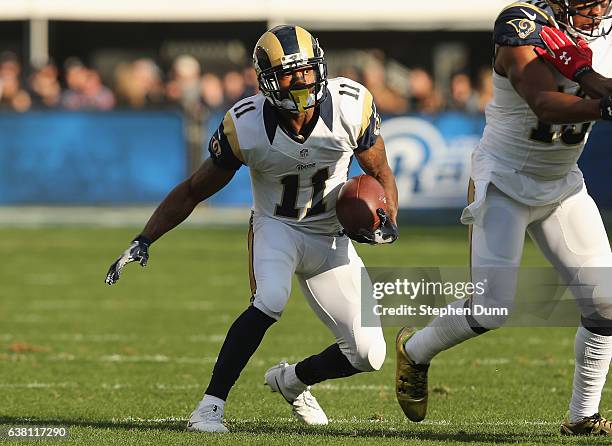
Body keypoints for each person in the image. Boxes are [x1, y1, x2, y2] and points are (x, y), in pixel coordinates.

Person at [105, 25, 398, 433]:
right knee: (270, 300)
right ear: (266, 81)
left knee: (369, 354)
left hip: (332, 236)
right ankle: (209, 408)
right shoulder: (245, 126)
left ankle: (292, 380)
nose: (300, 81)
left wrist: (387, 219)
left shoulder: (352, 106)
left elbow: (380, 172)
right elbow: (193, 190)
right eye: (288, 74)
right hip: (278, 227)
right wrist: (145, 237)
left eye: (306, 71)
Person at [395, 0, 612, 436]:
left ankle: (582, 415)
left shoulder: (603, 36)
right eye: (591, 1)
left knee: (607, 302)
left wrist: (597, 85)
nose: (600, 9)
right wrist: (603, 104)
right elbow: (544, 104)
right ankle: (415, 351)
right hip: (505, 182)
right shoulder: (520, 26)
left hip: (561, 184)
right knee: (491, 308)